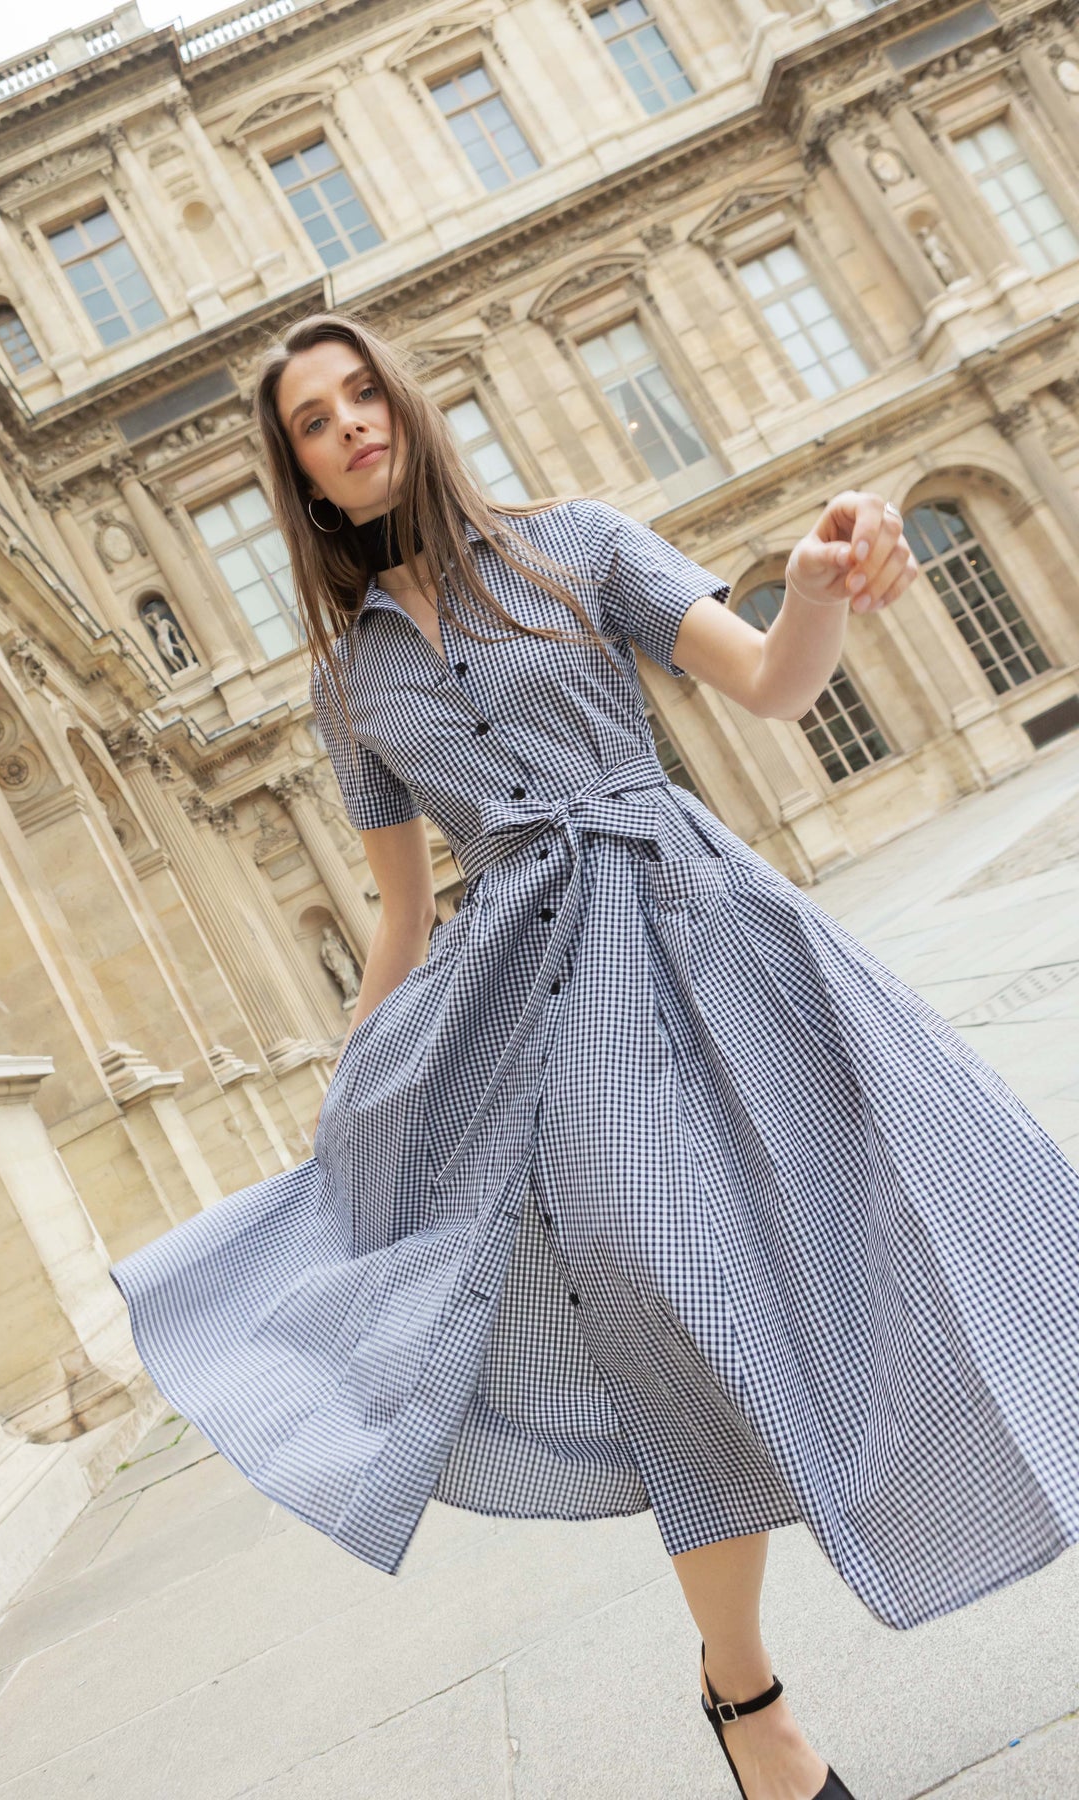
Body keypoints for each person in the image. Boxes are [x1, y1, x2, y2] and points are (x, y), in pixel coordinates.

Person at [108, 312, 1079, 1800]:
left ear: (405, 405)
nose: (351, 424)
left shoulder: (577, 544)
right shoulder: (348, 685)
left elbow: (774, 684)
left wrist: (816, 584)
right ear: (296, 473)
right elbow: (401, 911)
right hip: (542, 1005)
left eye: (365, 394)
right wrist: (349, 1109)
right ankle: (750, 1698)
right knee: (661, 1294)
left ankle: (754, 1668)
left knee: (909, 1205)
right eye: (314, 420)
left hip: (705, 936)